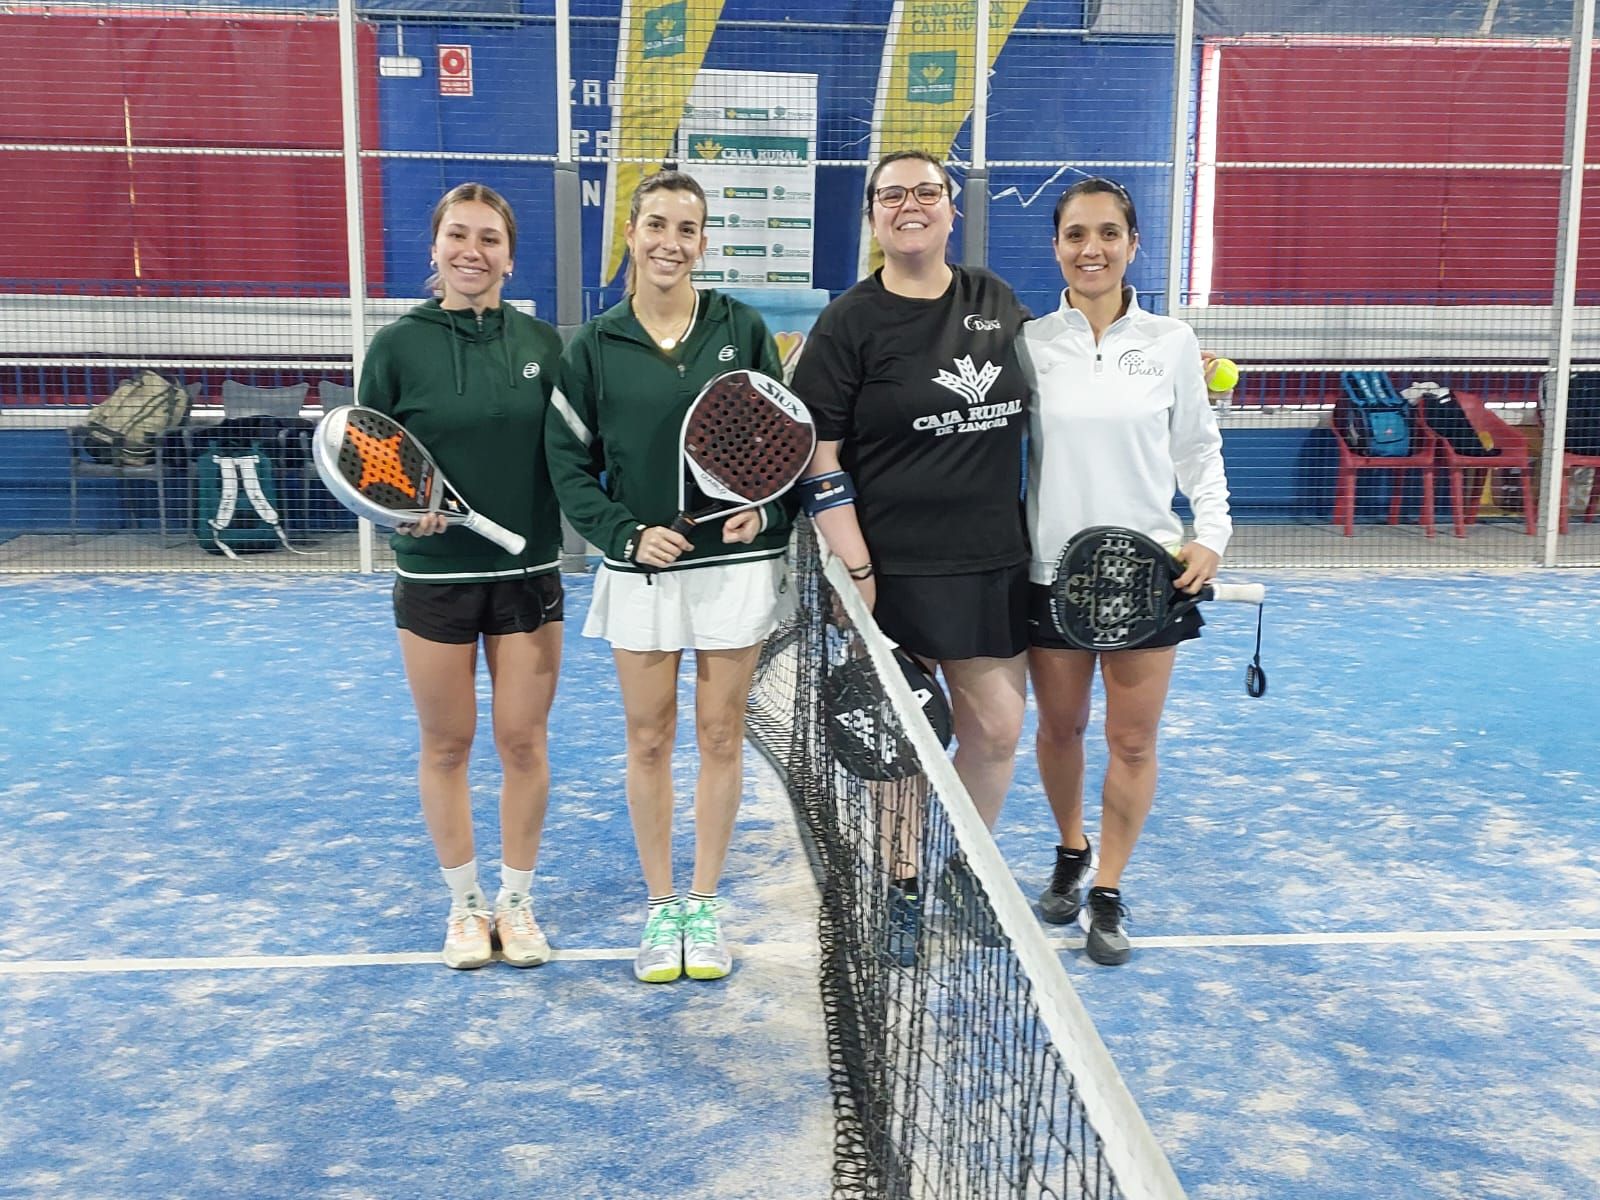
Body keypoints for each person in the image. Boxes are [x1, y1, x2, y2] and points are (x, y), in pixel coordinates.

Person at [545, 169, 790, 984]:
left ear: (703, 242)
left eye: (686, 230)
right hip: (642, 572)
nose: (669, 243)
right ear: (631, 233)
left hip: (736, 569)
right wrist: (625, 533)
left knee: (720, 735)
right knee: (649, 737)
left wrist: (768, 510)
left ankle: (704, 904)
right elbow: (567, 463)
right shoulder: (594, 346)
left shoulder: (740, 327)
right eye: (656, 225)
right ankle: (661, 908)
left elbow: (779, 441)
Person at [790, 150, 1033, 951]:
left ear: (950, 209)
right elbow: (819, 454)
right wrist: (854, 566)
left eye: (926, 191)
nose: (910, 205)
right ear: (873, 217)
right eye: (891, 195)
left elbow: (1064, 388)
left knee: (995, 728)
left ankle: (966, 870)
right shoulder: (849, 323)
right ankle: (900, 885)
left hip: (992, 558)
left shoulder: (994, 301)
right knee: (905, 741)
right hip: (893, 567)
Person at [1019, 177, 1233, 966]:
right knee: (1061, 729)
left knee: (1133, 742)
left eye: (1108, 233)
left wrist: (1210, 534)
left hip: (1149, 576)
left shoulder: (1172, 343)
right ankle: (1071, 847)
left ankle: (1107, 888)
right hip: (1052, 576)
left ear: (1133, 244)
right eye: (1076, 234)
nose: (1092, 249)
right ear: (1057, 247)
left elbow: (1198, 453)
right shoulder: (1030, 343)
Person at [360, 182, 566, 970]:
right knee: (447, 744)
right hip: (435, 578)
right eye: (458, 236)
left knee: (523, 742)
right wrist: (399, 514)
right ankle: (464, 905)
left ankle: (515, 901)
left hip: (530, 575)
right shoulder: (397, 348)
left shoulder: (546, 348)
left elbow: (576, 457)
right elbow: (370, 458)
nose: (471, 252)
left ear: (511, 257)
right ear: (436, 247)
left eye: (488, 239)